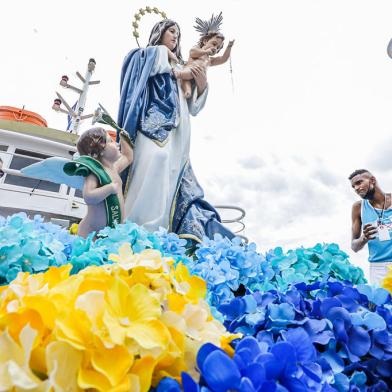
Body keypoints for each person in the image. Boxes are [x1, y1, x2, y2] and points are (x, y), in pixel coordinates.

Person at [117, 18, 234, 243]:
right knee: (156, 160)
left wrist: (201, 85)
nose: (175, 37)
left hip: (179, 131)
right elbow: (140, 66)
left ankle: (163, 233)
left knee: (172, 173)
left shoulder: (180, 65)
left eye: (178, 34)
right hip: (153, 124)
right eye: (171, 31)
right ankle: (137, 228)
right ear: (159, 32)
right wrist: (162, 51)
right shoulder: (147, 54)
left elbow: (194, 107)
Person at [71, 127, 133, 238]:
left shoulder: (114, 168)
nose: (116, 144)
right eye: (111, 141)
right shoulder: (94, 173)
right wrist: (109, 189)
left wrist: (124, 139)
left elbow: (128, 157)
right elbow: (89, 196)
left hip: (111, 232)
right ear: (99, 151)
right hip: (92, 232)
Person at [174, 13, 234, 98]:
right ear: (205, 41)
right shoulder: (198, 49)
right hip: (189, 69)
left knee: (188, 83)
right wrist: (205, 52)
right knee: (186, 77)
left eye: (218, 47)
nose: (215, 48)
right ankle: (178, 74)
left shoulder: (210, 60)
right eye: (214, 44)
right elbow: (192, 52)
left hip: (197, 78)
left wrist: (229, 47)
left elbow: (223, 59)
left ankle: (188, 92)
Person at [349, 169, 392, 285]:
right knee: (381, 303)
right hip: (379, 269)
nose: (356, 188)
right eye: (353, 187)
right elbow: (354, 246)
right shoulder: (358, 208)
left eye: (359, 183)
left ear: (372, 180)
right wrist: (364, 238)